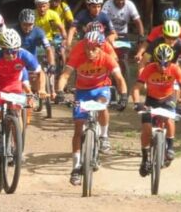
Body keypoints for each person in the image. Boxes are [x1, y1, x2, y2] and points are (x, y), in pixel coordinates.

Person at [55, 30, 128, 185]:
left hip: (101, 89)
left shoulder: (107, 58)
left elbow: (119, 78)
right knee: (78, 128)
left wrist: (123, 96)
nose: (90, 51)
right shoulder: (77, 56)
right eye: (88, 48)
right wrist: (60, 91)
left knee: (102, 105)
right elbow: (65, 75)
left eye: (94, 48)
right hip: (82, 92)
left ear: (101, 47)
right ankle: (75, 167)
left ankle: (103, 136)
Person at [0, 28, 45, 171]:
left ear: (18, 49)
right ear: (2, 49)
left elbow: (40, 72)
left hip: (14, 87)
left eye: (14, 51)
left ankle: (16, 148)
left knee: (17, 119)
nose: (11, 55)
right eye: (7, 51)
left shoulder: (25, 56)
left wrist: (41, 89)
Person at [132, 43, 181, 176]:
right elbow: (136, 88)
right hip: (151, 99)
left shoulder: (175, 69)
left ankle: (170, 147)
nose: (163, 67)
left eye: (166, 64)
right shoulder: (149, 69)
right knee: (146, 128)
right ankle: (145, 158)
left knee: (169, 119)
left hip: (167, 99)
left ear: (170, 62)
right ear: (154, 61)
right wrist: (136, 103)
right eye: (159, 64)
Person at [142, 20, 181, 86]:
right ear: (163, 35)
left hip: (171, 69)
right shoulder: (156, 42)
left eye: (174, 37)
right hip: (155, 69)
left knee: (178, 87)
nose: (171, 40)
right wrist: (142, 79)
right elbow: (143, 62)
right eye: (168, 37)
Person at [16, 9, 55, 95]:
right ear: (20, 23)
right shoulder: (14, 31)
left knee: (40, 72)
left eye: (30, 25)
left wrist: (52, 64)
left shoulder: (39, 32)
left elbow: (48, 48)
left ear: (34, 23)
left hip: (32, 58)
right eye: (24, 24)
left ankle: (42, 90)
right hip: (17, 59)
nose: (27, 27)